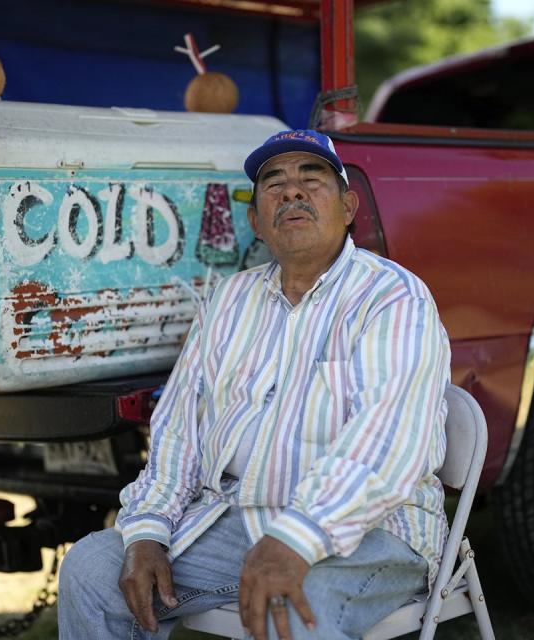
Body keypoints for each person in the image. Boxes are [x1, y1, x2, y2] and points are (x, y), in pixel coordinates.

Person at [59, 129, 451, 640]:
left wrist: (296, 537)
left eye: (312, 179)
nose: (292, 192)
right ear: (255, 222)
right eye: (274, 184)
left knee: (288, 611)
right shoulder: (229, 301)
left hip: (373, 532)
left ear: (349, 206)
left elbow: (388, 441)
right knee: (92, 571)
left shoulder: (393, 298)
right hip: (238, 521)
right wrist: (148, 530)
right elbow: (180, 429)